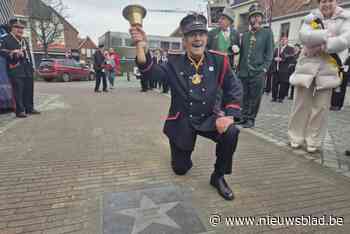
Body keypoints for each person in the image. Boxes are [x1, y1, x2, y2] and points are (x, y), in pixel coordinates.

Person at [130, 13, 243, 201]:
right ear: (184, 40)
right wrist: (141, 47)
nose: (197, 38)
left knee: (231, 132)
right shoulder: (174, 63)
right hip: (183, 120)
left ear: (207, 38)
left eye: (201, 33)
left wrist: (229, 115)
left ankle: (218, 176)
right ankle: (182, 155)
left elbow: (234, 87)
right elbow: (151, 73)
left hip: (209, 116)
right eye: (192, 34)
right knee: (180, 169)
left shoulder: (219, 60)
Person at [288, 0, 350, 153]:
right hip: (307, 66)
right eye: (323, 1)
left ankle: (313, 141)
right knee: (300, 104)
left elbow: (344, 41)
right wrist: (325, 35)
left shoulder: (345, 18)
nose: (326, 4)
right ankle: (295, 137)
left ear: (335, 2)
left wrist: (320, 45)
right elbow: (303, 36)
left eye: (330, 0)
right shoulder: (311, 17)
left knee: (321, 107)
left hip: (329, 67)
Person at [237, 4, 274, 128]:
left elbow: (269, 53)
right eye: (253, 16)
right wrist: (239, 70)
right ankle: (243, 116)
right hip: (243, 71)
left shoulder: (267, 33)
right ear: (250, 19)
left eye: (258, 16)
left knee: (255, 97)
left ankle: (250, 119)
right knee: (244, 95)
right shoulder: (246, 35)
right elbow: (242, 53)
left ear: (261, 18)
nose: (255, 19)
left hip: (258, 71)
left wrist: (264, 68)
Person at [0, 18, 40, 118]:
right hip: (15, 68)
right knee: (18, 90)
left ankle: (29, 108)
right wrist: (12, 52)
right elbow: (2, 51)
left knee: (29, 88)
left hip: (27, 68)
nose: (20, 30)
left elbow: (29, 54)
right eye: (17, 27)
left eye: (21, 28)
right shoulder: (6, 39)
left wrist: (32, 67)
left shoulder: (24, 40)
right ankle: (20, 110)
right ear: (11, 28)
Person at [271, 35, 295, 103]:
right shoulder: (277, 49)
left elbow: (291, 56)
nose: (283, 41)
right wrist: (274, 59)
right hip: (276, 69)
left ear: (287, 41)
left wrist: (282, 59)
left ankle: (280, 98)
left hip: (284, 70)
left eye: (284, 40)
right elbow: (272, 57)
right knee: (274, 84)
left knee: (283, 85)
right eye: (282, 40)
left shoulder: (290, 49)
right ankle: (274, 97)